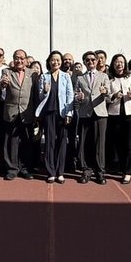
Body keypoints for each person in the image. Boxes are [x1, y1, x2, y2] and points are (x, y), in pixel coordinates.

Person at [0, 49, 38, 180]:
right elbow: (0, 85)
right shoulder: (7, 72)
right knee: (10, 143)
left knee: (26, 142)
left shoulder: (33, 74)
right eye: (16, 58)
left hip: (27, 112)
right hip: (11, 112)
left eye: (21, 58)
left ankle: (25, 168)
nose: (19, 60)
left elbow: (36, 95)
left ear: (25, 60)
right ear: (13, 59)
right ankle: (12, 169)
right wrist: (2, 83)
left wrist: (37, 113)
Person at [36, 51, 74, 184]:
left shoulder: (66, 76)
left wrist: (69, 113)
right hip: (49, 113)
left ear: (61, 62)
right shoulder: (44, 77)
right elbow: (40, 97)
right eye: (53, 60)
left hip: (62, 113)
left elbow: (70, 96)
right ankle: (51, 172)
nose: (55, 62)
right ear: (49, 61)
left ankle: (60, 172)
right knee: (49, 143)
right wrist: (45, 91)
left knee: (62, 142)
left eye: (58, 60)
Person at [74, 51, 109, 184]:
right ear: (84, 62)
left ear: (96, 61)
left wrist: (105, 92)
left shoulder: (104, 76)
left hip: (100, 113)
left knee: (100, 144)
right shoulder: (80, 78)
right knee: (85, 143)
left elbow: (109, 94)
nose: (90, 62)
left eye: (93, 60)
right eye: (87, 60)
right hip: (85, 113)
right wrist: (78, 97)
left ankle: (100, 172)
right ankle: (87, 171)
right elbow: (76, 95)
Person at [106, 54, 131, 184]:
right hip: (115, 114)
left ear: (125, 64)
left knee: (130, 144)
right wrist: (114, 96)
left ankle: (128, 172)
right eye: (116, 62)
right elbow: (106, 97)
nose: (119, 64)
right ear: (113, 64)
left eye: (121, 62)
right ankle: (121, 168)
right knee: (118, 143)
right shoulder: (109, 79)